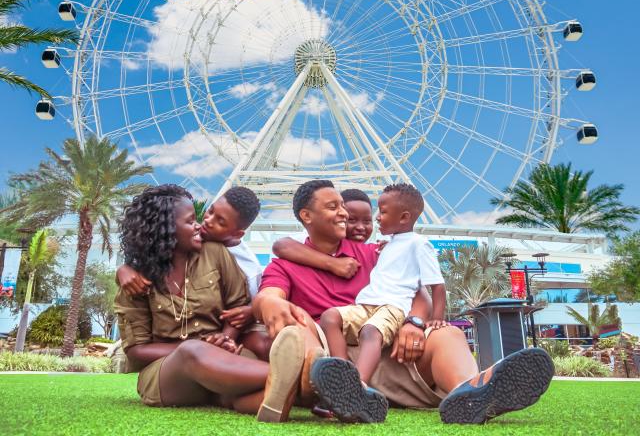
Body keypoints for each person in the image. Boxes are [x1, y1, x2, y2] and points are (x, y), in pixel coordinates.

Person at [252, 179, 554, 424]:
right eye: (334, 207)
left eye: (343, 206)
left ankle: (472, 392)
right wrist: (270, 303)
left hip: (386, 346)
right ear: (307, 216)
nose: (344, 213)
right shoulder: (282, 264)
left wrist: (414, 321)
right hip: (330, 353)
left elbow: (416, 292)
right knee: (299, 328)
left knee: (446, 334)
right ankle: (341, 390)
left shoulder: (374, 254)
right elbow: (270, 293)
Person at [114, 184, 307, 422]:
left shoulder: (215, 253)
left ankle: (288, 396)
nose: (199, 225)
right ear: (165, 231)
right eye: (189, 221)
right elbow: (137, 349)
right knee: (192, 351)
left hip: (224, 356)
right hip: (168, 371)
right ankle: (307, 379)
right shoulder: (136, 279)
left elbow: (237, 305)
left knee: (245, 394)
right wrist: (206, 348)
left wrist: (225, 339)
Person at [116, 186, 270, 359]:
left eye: (221, 222)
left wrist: (249, 314)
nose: (206, 222)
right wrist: (123, 269)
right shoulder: (192, 241)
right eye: (209, 212)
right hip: (173, 357)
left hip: (238, 330)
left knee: (261, 344)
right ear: (167, 230)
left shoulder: (245, 267)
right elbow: (152, 242)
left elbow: (244, 306)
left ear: (237, 233)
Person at [319, 183, 447, 387]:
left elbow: (437, 285)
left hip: (392, 307)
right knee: (330, 317)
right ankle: (341, 377)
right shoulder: (388, 244)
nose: (378, 217)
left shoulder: (419, 244)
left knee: (371, 332)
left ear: (404, 217)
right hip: (366, 305)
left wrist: (437, 319)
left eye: (383, 212)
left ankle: (357, 386)